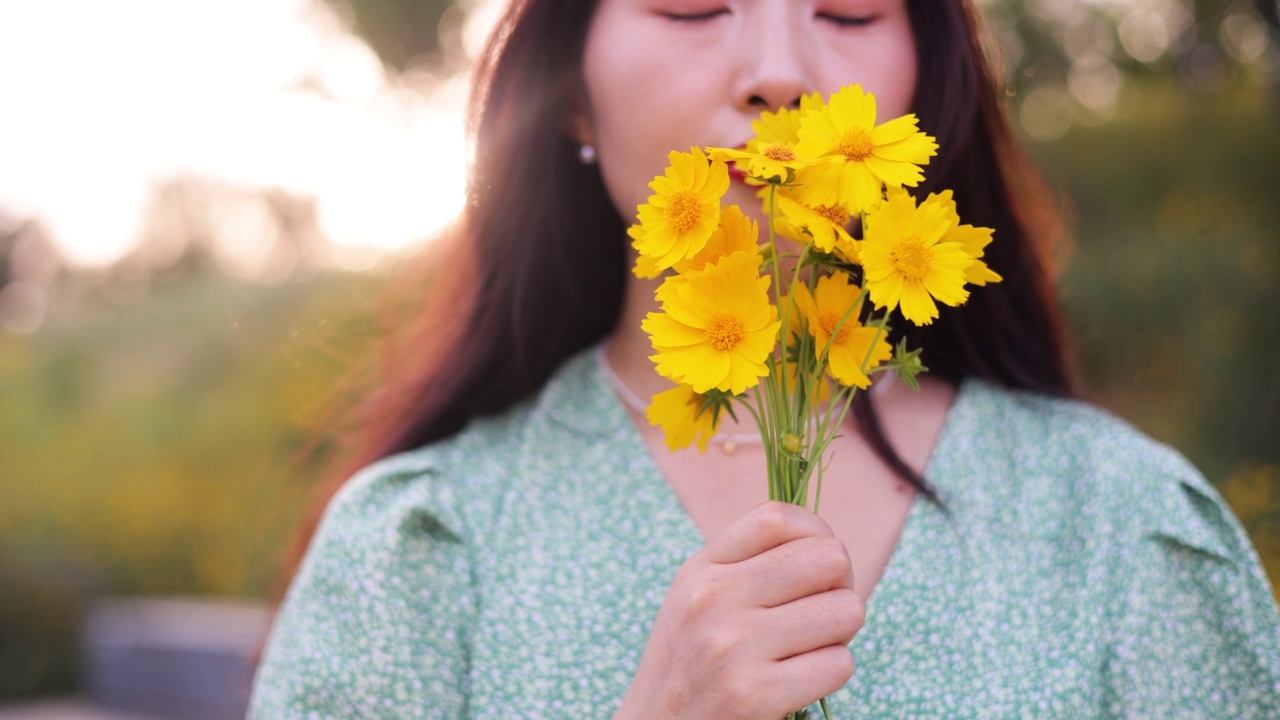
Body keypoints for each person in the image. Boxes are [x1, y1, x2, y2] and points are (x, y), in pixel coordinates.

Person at [248, 0, 1280, 717]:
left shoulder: (1124, 526)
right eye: (692, 9)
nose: (780, 73)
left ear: (922, 78)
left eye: (846, 14)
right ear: (569, 93)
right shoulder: (416, 548)